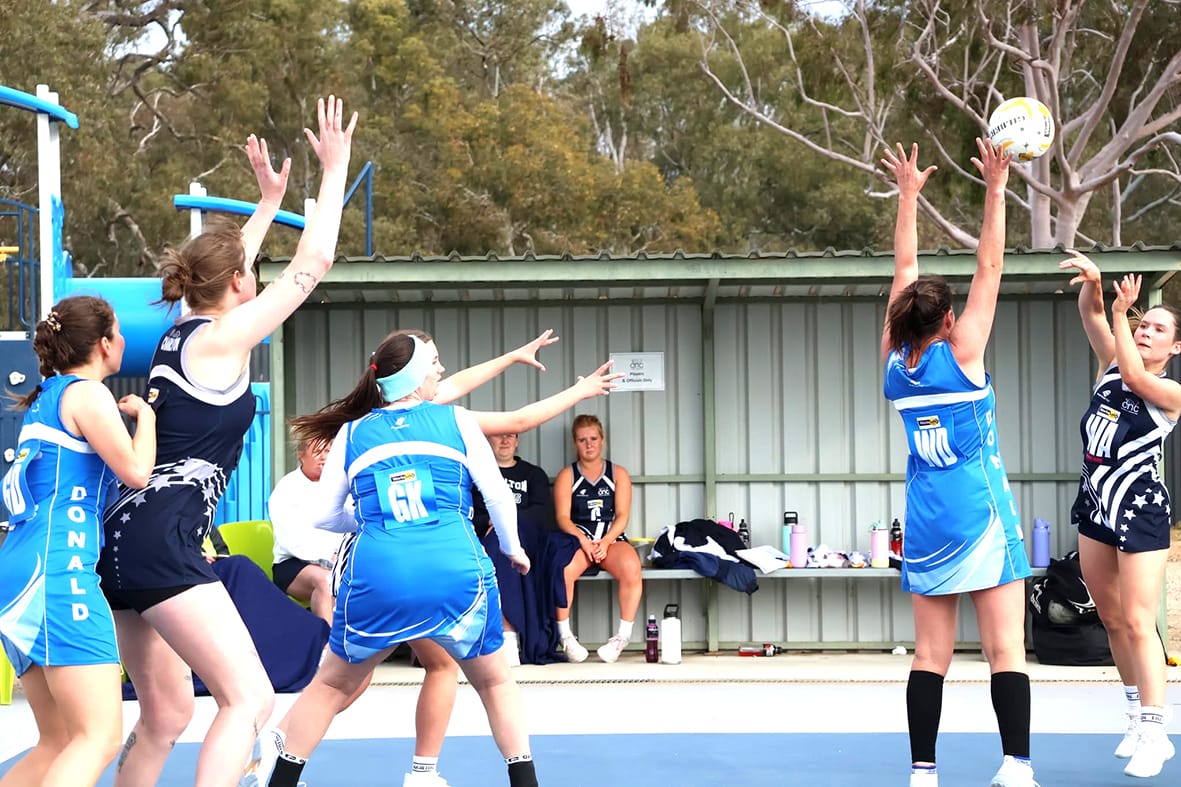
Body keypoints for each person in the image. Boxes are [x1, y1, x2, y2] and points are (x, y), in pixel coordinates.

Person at [95, 96, 357, 787]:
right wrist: (333, 172)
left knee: (165, 714)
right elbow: (318, 256)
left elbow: (225, 265)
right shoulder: (225, 336)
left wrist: (267, 203)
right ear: (239, 285)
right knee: (249, 696)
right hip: (163, 541)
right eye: (251, 274)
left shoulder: (181, 326)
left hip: (120, 539)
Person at [247, 329, 619, 787]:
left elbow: (326, 515)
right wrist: (513, 549)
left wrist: (375, 519)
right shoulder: (455, 421)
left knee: (330, 686)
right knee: (495, 682)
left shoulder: (352, 431)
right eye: (435, 361)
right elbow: (500, 496)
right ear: (419, 374)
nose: (443, 369)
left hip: (378, 577)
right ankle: (504, 780)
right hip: (454, 574)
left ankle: (281, 771)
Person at [880, 140, 1035, 787]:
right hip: (980, 516)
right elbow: (990, 264)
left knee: (928, 655)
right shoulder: (963, 350)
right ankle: (1015, 765)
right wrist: (995, 186)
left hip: (926, 523)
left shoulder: (893, 363)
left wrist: (908, 195)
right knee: (1004, 649)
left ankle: (922, 771)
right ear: (947, 320)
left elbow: (904, 266)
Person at [0, 296, 157, 787]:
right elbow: (135, 472)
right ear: (105, 343)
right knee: (98, 737)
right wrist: (147, 421)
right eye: (119, 332)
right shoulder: (87, 396)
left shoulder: (46, 398)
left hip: (22, 571)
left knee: (61, 741)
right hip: (57, 574)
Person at [1059, 249, 1180, 779]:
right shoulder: (1114, 359)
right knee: (1109, 618)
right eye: (1143, 323)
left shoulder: (1170, 391)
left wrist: (1120, 314)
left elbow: (1132, 370)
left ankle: (1158, 732)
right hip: (1096, 502)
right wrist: (1096, 283)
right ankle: (1134, 714)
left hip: (1140, 508)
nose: (1146, 330)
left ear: (1175, 347)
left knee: (1137, 620)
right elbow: (1089, 313)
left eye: (1157, 328)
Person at [553, 414, 642, 664]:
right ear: (575, 443)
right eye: (582, 440)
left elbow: (623, 515)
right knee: (563, 570)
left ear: (602, 440)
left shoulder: (618, 474)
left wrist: (605, 542)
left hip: (610, 540)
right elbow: (562, 517)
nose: (589, 444)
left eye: (593, 438)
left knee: (632, 567)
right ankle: (566, 637)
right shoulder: (567, 476)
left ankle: (621, 638)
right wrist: (584, 541)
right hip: (579, 540)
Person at [474, 432, 558, 667]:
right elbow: (470, 514)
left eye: (510, 436)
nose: (504, 441)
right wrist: (490, 522)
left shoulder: (533, 474)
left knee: (506, 544)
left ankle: (509, 636)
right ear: (489, 441)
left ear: (518, 441)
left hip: (528, 540)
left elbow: (544, 515)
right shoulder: (479, 474)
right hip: (491, 542)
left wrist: (505, 520)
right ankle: (508, 635)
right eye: (498, 437)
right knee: (498, 550)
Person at [269, 436, 341, 623]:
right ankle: (326, 648)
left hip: (338, 562)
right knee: (326, 581)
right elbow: (293, 541)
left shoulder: (340, 484)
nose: (324, 458)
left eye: (328, 451)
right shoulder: (287, 488)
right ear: (301, 455)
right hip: (295, 564)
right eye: (317, 452)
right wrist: (328, 558)